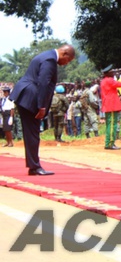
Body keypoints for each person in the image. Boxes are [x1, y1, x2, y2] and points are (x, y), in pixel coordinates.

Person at [9, 44, 76, 175]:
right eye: (67, 60)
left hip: (25, 95)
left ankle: (33, 165)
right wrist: (41, 106)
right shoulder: (50, 60)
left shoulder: (46, 55)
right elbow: (43, 83)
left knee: (31, 134)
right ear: (65, 53)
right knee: (33, 134)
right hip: (30, 98)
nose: (66, 64)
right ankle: (34, 167)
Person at [100, 65, 121, 150]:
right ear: (108, 73)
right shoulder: (109, 80)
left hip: (108, 105)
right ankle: (110, 143)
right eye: (112, 71)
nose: (113, 72)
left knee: (109, 124)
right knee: (112, 125)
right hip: (111, 105)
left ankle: (108, 143)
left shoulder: (104, 81)